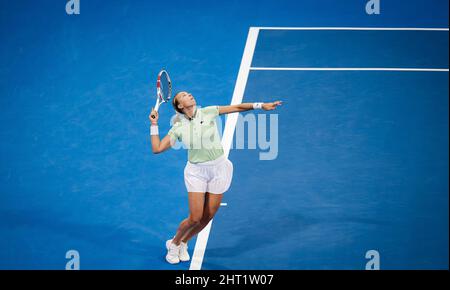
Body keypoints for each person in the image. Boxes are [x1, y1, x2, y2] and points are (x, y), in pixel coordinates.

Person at [149, 91, 282, 264]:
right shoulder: (178, 128)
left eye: (189, 93)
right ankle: (174, 244)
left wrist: (260, 105)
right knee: (195, 217)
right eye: (184, 95)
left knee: (208, 215)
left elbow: (236, 107)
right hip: (196, 172)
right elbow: (157, 148)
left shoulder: (208, 111)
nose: (189, 95)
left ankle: (184, 242)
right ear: (180, 105)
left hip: (219, 169)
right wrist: (154, 124)